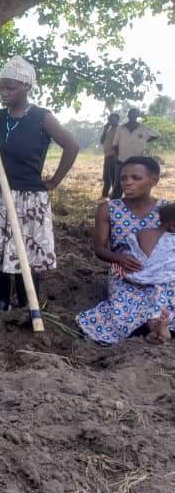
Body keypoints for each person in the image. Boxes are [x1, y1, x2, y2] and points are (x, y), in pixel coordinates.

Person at [0, 56, 79, 311]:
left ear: (27, 87)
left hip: (28, 197)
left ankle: (28, 304)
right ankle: (1, 305)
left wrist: (54, 180)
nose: (5, 93)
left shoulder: (42, 117)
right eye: (2, 88)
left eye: (11, 88)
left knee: (25, 251)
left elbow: (72, 145)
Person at [77, 158, 174, 345]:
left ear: (154, 181)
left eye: (136, 178)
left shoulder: (167, 208)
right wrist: (118, 258)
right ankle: (157, 328)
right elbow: (99, 249)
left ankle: (156, 327)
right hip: (126, 274)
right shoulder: (108, 209)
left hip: (164, 273)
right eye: (123, 178)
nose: (128, 182)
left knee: (162, 293)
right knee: (122, 311)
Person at [109, 108, 159, 199]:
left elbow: (157, 135)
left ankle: (133, 203)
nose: (133, 116)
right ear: (128, 116)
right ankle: (114, 206)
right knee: (118, 185)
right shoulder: (120, 128)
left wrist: (145, 139)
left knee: (136, 184)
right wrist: (116, 159)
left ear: (137, 116)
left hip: (138, 162)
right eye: (131, 114)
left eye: (135, 115)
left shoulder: (143, 128)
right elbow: (115, 145)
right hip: (122, 160)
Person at [100, 113, 120, 200]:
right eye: (109, 119)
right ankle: (104, 195)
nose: (110, 121)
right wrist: (105, 129)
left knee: (113, 176)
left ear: (117, 120)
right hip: (107, 155)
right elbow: (101, 141)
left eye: (113, 119)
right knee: (106, 176)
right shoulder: (109, 130)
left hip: (114, 155)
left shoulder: (119, 130)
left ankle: (115, 197)